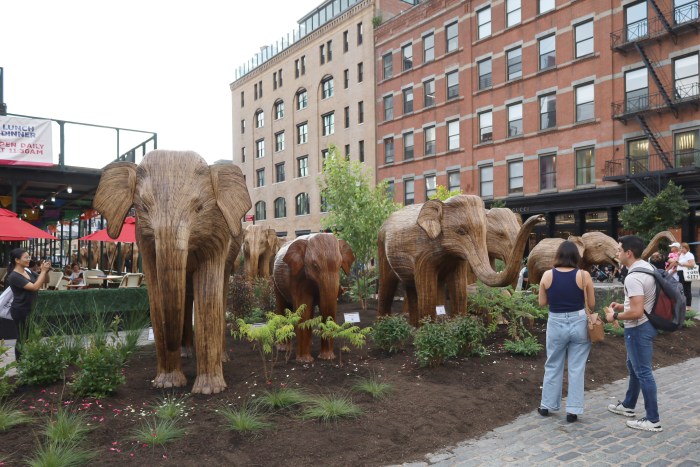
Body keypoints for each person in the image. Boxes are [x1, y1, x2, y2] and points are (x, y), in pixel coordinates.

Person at [605, 235, 662, 432]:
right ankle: (629, 404)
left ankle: (653, 419)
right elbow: (643, 301)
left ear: (629, 253)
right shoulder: (648, 267)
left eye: (619, 250)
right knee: (634, 366)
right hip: (646, 324)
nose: (617, 253)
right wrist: (623, 304)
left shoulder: (633, 276)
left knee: (643, 372)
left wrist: (615, 315)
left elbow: (637, 312)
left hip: (638, 327)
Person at [537, 241, 597, 423]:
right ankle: (573, 410)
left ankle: (547, 406)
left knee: (553, 364)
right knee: (577, 367)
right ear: (576, 257)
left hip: (556, 321)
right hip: (578, 321)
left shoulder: (547, 275)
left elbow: (542, 302)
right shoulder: (583, 275)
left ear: (558, 255)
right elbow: (592, 304)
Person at [6, 248, 51, 361]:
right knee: (22, 337)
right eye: (26, 257)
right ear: (17, 260)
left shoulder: (28, 271)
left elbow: (45, 281)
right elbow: (34, 287)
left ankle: (30, 360)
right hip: (20, 310)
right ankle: (20, 362)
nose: (29, 259)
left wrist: (46, 271)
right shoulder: (14, 276)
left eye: (29, 256)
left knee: (30, 336)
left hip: (30, 308)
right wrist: (43, 272)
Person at [676, 242, 696, 311]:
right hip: (680, 273)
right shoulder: (681, 255)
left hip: (685, 273)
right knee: (681, 289)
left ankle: (688, 305)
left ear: (686, 248)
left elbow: (692, 264)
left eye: (682, 248)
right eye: (680, 248)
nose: (681, 249)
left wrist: (682, 264)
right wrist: (678, 256)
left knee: (686, 289)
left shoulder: (689, 255)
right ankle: (683, 304)